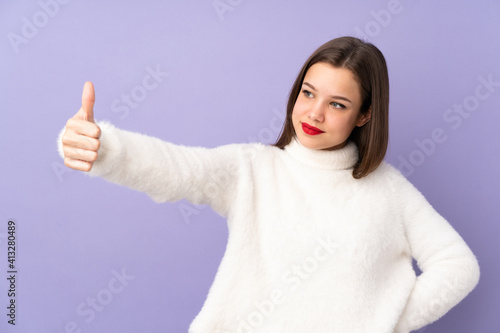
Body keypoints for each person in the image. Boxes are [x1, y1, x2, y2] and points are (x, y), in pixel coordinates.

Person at [56, 36, 480, 333]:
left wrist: (381, 321)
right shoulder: (253, 169)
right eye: (308, 93)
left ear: (365, 115)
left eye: (337, 104)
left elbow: (458, 266)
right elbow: (179, 168)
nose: (314, 114)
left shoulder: (388, 189)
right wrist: (104, 147)